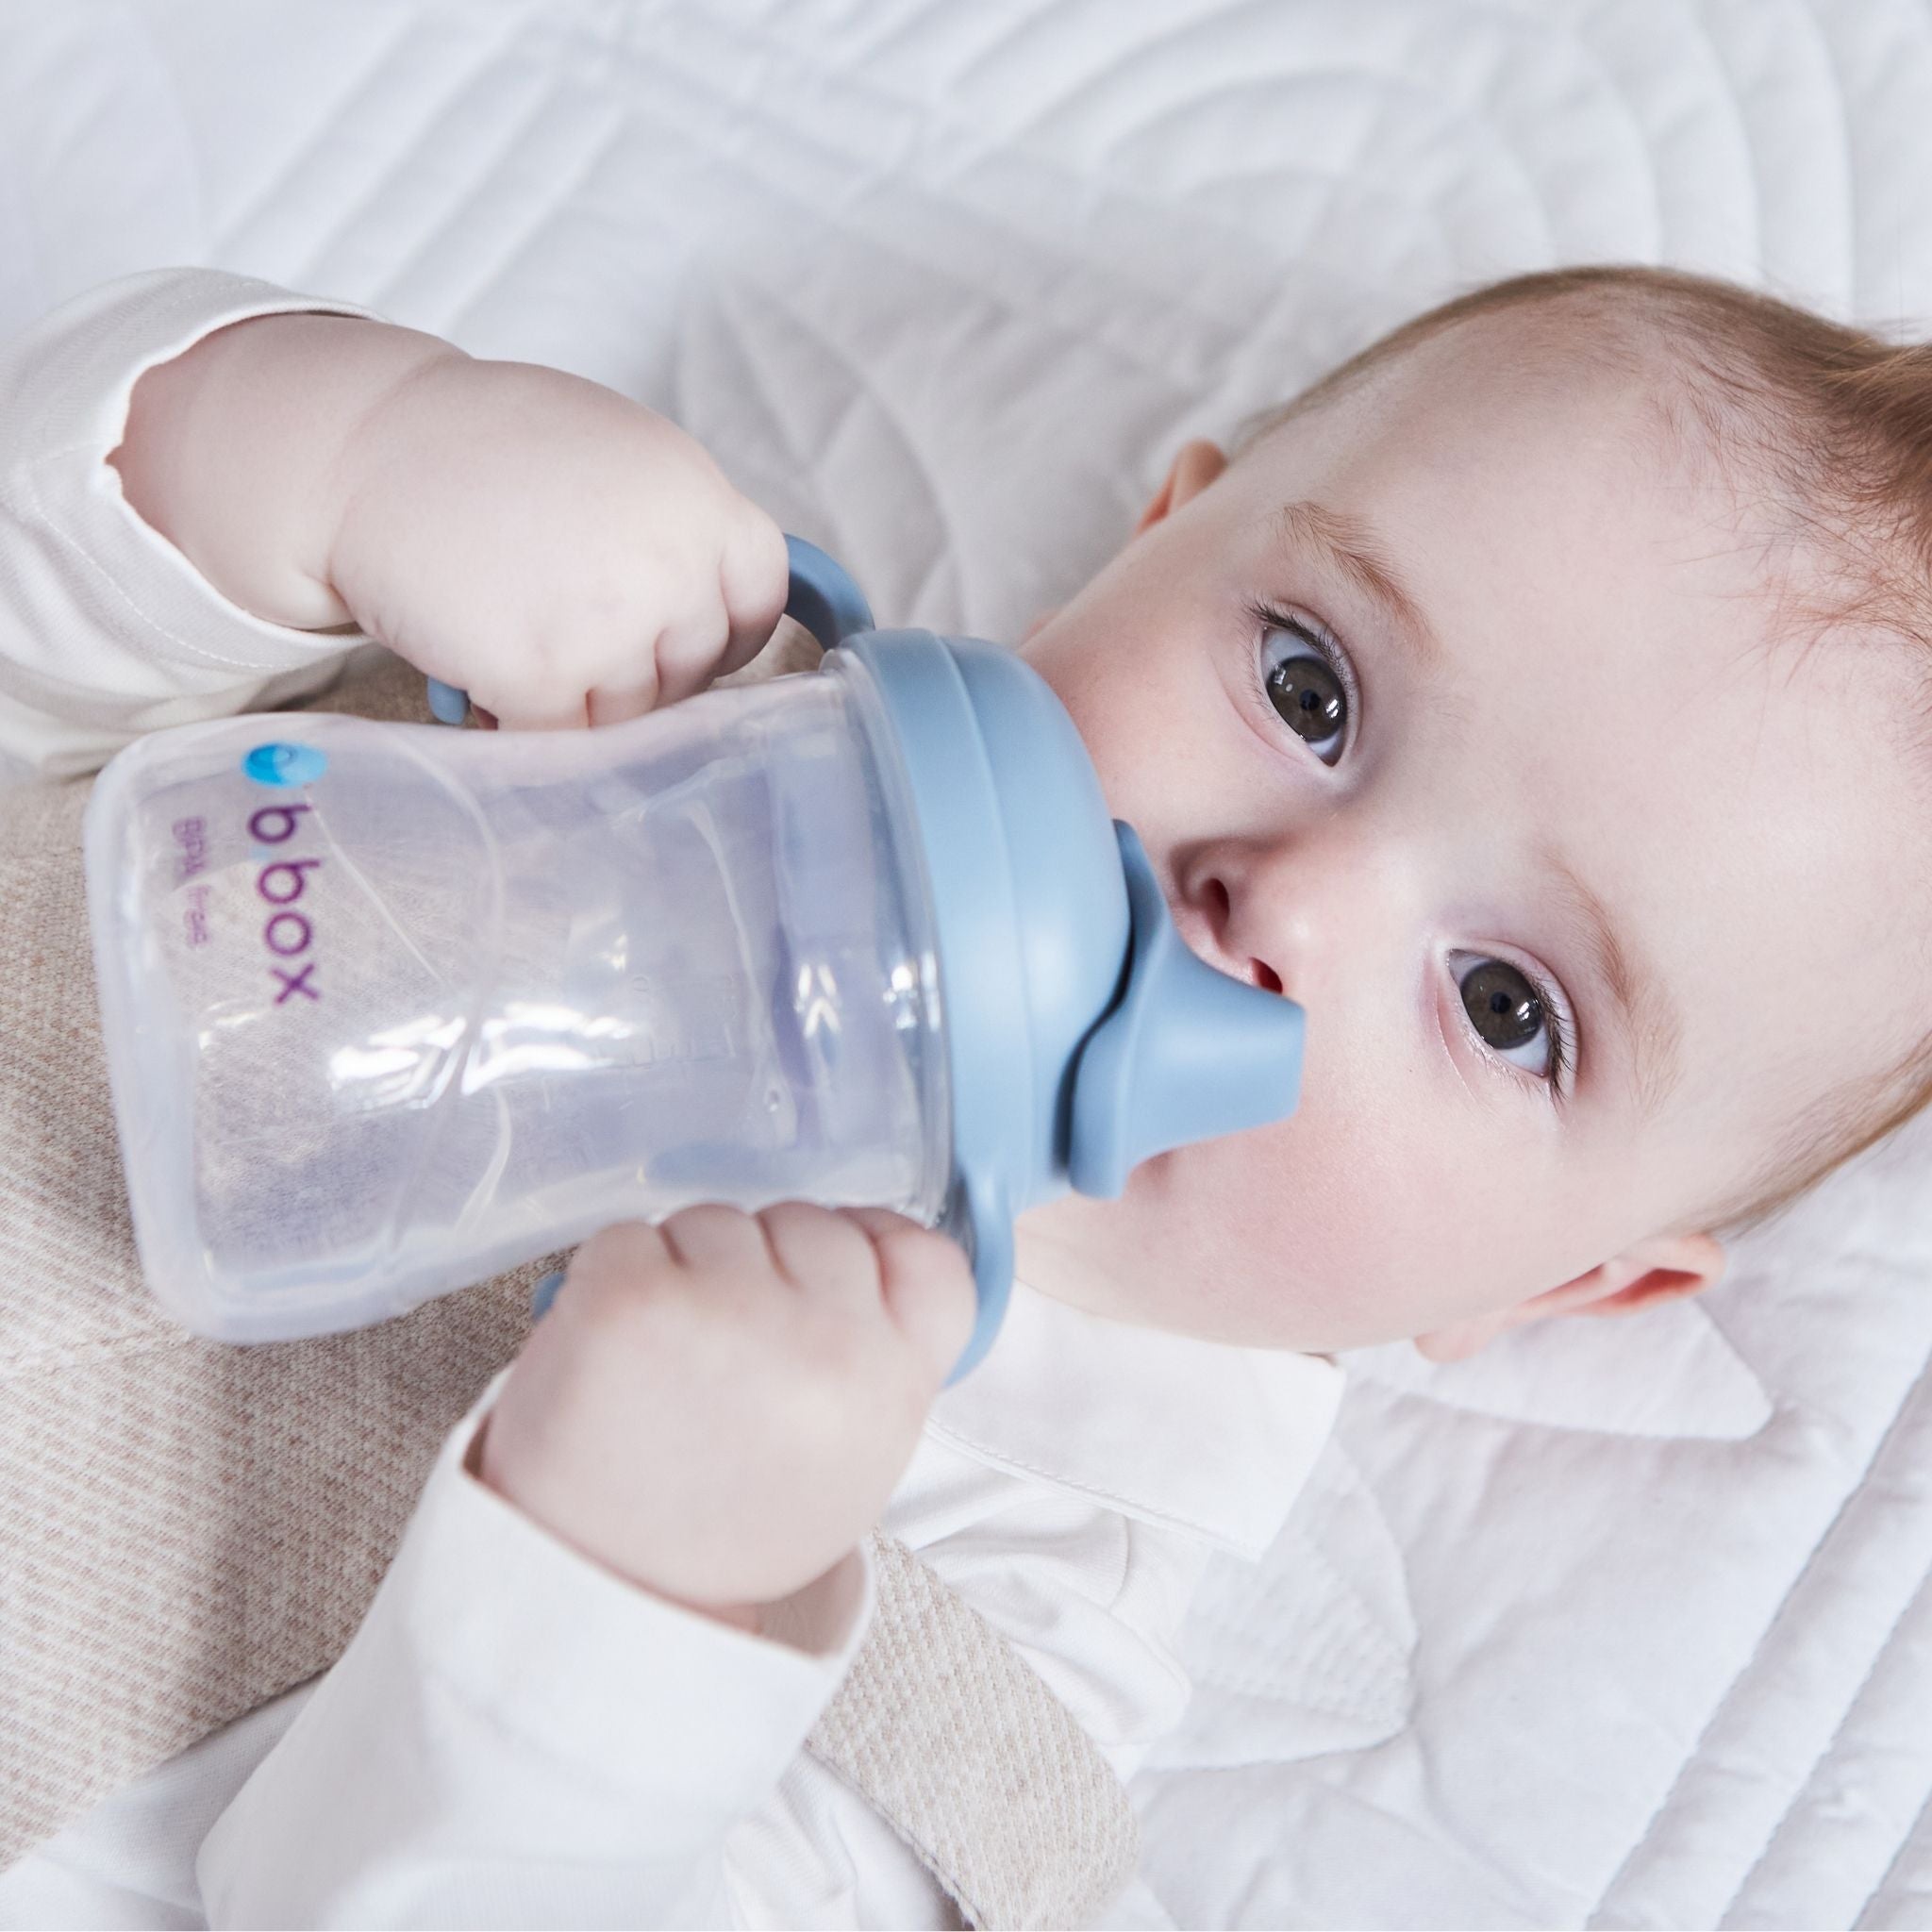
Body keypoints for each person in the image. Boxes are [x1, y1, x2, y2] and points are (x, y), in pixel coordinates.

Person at [2, 256, 1926, 1924]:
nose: (1287, 906)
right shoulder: (626, 674)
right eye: (1310, 688)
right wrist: (330, 447)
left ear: (1555, 1292)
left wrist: (640, 1592)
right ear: (1158, 529)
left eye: (1509, 1007)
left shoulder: (1018, 1629)